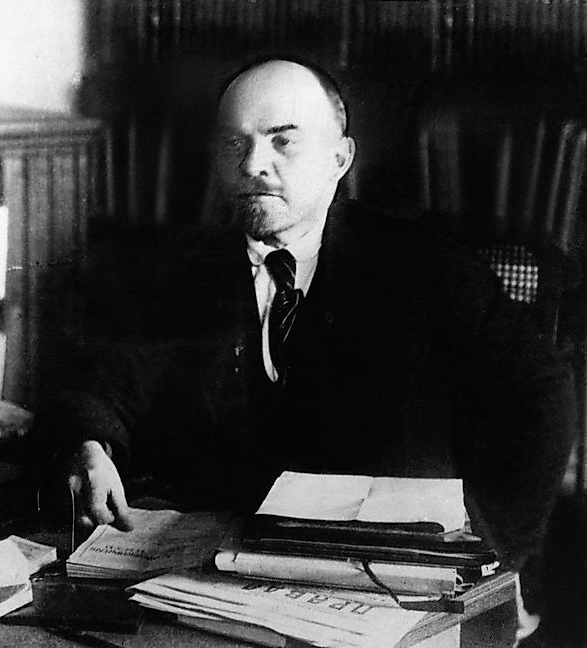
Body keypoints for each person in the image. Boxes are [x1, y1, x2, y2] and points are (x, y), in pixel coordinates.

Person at [36, 58, 576, 578]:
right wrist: (89, 444)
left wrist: (491, 553)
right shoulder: (177, 272)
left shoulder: (427, 267)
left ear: (340, 159)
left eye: (283, 140)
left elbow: (541, 396)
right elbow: (97, 382)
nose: (252, 163)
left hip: (381, 574)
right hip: (216, 575)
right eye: (235, 143)